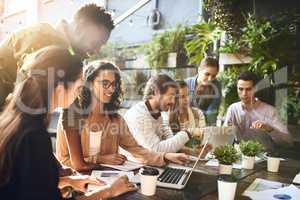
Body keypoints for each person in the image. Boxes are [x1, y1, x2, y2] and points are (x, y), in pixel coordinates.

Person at [0, 46, 136, 200]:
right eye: (78, 87)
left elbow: (27, 183)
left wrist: (67, 180)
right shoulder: (34, 136)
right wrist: (109, 191)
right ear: (59, 88)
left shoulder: (17, 121)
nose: (80, 94)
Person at [56, 61, 190, 172]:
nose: (111, 89)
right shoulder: (71, 117)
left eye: (114, 84)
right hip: (79, 184)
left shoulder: (116, 120)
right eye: (105, 83)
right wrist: (100, 159)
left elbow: (137, 150)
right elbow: (64, 161)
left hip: (109, 181)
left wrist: (166, 156)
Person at [0, 3, 114, 108]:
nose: (97, 50)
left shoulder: (63, 52)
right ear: (81, 26)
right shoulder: (40, 38)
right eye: (96, 43)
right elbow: (25, 103)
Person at [124, 74, 211, 156]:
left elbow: (170, 142)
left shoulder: (158, 115)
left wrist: (195, 153)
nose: (173, 102)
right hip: (134, 168)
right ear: (156, 92)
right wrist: (189, 132)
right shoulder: (139, 115)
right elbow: (156, 150)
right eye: (171, 96)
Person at [223, 71, 293, 151]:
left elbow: (288, 142)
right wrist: (228, 131)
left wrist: (270, 129)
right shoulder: (233, 109)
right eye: (240, 89)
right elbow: (225, 137)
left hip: (265, 157)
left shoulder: (270, 111)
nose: (244, 93)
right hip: (241, 157)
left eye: (248, 89)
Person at [165, 80, 208, 155]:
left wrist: (204, 147)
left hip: (195, 158)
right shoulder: (166, 116)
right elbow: (170, 145)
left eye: (188, 95)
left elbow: (203, 137)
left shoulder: (198, 114)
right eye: (182, 97)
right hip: (176, 159)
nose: (187, 99)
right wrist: (195, 152)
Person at [185, 57, 221, 125]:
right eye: (207, 74)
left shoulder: (216, 86)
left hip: (206, 125)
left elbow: (211, 114)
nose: (210, 79)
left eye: (213, 76)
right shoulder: (186, 84)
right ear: (199, 70)